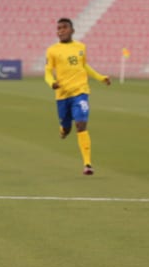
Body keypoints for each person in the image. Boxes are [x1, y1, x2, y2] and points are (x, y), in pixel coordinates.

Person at [45, 17, 111, 175]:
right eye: (58, 28)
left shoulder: (81, 47)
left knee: (81, 125)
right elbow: (47, 71)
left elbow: (84, 66)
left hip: (80, 92)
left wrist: (100, 77)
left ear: (72, 30)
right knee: (67, 128)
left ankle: (87, 164)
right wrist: (51, 83)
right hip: (62, 95)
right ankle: (63, 129)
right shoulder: (52, 50)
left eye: (64, 27)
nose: (61, 30)